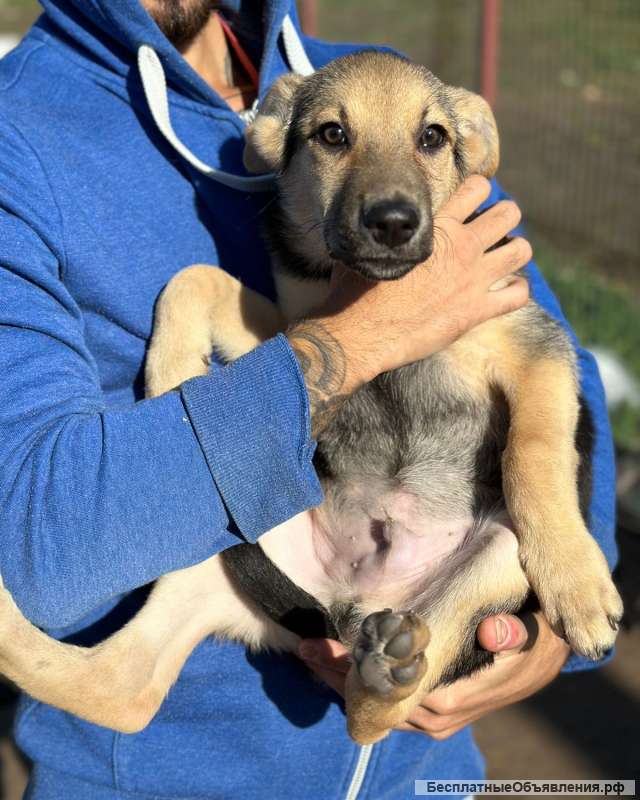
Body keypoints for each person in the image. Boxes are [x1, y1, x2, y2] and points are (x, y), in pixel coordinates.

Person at [0, 1, 617, 798]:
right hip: (178, 774)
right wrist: (363, 334)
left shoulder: (378, 75)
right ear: (283, 141)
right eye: (335, 137)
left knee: (493, 555)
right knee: (204, 547)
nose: (390, 176)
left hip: (430, 776)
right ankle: (126, 670)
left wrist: (559, 618)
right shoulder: (18, 137)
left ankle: (382, 690)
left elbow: (549, 355)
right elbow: (33, 550)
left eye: (431, 141)